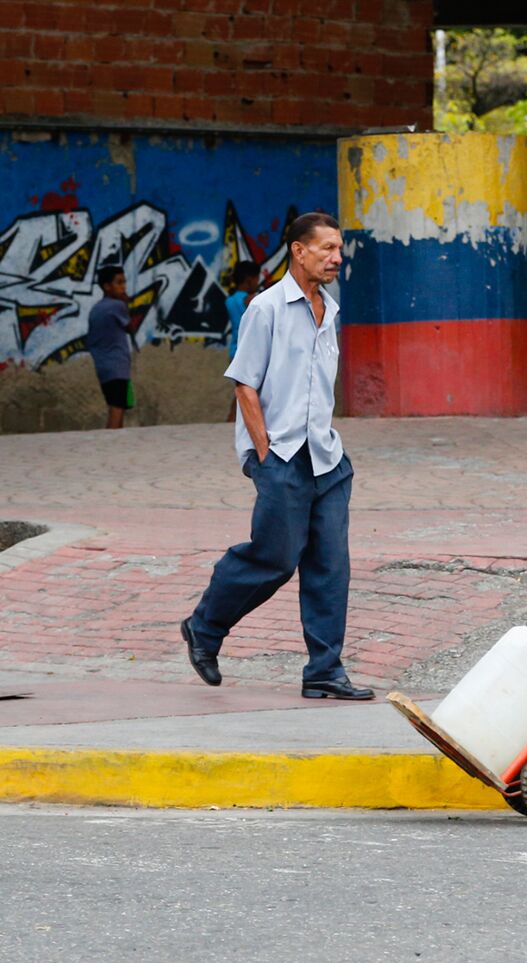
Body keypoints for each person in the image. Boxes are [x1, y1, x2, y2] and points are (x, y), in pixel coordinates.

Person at [181, 213, 373, 701]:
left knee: (331, 565)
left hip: (326, 458)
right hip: (281, 455)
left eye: (338, 249)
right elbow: (244, 382)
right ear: (298, 251)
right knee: (275, 558)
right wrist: (265, 452)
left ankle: (324, 671)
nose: (336, 258)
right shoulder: (264, 309)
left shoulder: (329, 310)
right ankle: (204, 627)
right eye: (326, 249)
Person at [86, 265, 139, 429]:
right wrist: (126, 304)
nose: (123, 286)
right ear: (106, 286)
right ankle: (110, 443)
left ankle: (115, 442)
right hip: (117, 365)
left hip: (103, 365)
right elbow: (130, 328)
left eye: (124, 282)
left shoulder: (97, 308)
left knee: (116, 405)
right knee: (117, 408)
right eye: (119, 282)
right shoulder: (117, 306)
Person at [225, 260, 261, 422]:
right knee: (248, 391)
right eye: (257, 279)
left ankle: (232, 419)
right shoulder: (250, 300)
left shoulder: (230, 300)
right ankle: (232, 419)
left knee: (243, 390)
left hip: (234, 350)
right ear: (249, 280)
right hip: (248, 351)